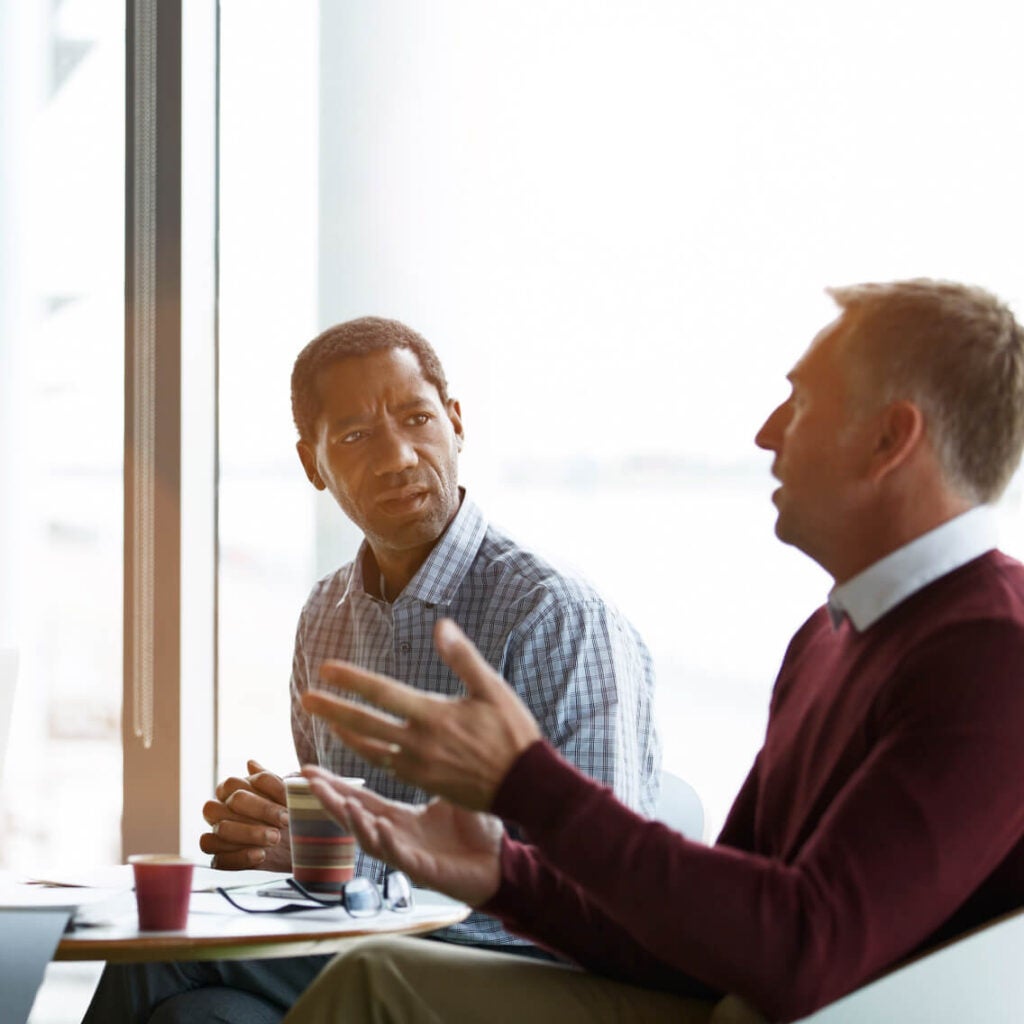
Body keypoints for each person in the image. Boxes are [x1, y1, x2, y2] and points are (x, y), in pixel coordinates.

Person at [283, 280, 1024, 1024]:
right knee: (372, 977)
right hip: (739, 1005)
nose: (767, 433)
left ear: (889, 439)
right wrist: (498, 874)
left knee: (367, 983)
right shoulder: (828, 639)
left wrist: (525, 781)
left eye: (799, 402)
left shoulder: (995, 655)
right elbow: (707, 938)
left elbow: (804, 952)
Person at [82, 317, 660, 1023]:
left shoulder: (552, 615)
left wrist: (344, 858)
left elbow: (601, 888)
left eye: (417, 418)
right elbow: (334, 850)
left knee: (162, 952)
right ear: (312, 464)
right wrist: (282, 845)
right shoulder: (324, 616)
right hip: (365, 950)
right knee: (195, 1017)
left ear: (455, 421)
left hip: (513, 968)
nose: (398, 457)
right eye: (355, 436)